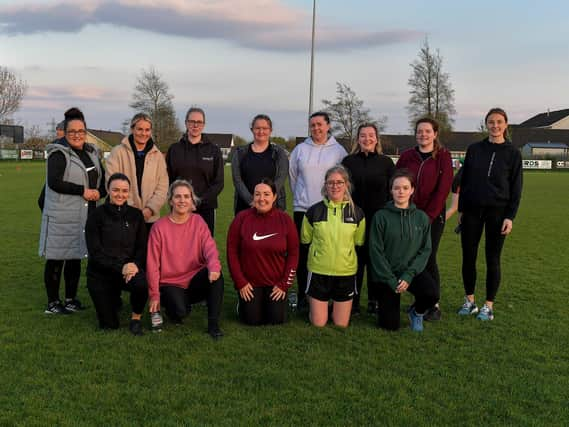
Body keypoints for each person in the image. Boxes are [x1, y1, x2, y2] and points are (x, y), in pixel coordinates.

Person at [38, 107, 106, 314]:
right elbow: (54, 182)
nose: (77, 135)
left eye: (81, 131)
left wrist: (99, 193)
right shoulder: (58, 153)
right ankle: (53, 302)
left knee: (75, 258)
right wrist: (83, 191)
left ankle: (70, 299)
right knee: (57, 258)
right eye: (72, 131)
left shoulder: (91, 153)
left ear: (86, 132)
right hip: (62, 216)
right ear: (65, 133)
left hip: (85, 216)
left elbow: (102, 183)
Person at [457, 108, 522, 321]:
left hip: (498, 212)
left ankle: (488, 306)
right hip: (472, 211)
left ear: (506, 125)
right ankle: (470, 301)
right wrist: (462, 210)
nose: (495, 126)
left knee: (492, 259)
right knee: (469, 256)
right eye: (491, 122)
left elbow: (516, 188)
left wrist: (509, 217)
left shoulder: (513, 153)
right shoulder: (475, 148)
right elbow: (464, 181)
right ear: (486, 124)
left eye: (499, 122)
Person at [146, 180, 224, 339]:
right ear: (170, 201)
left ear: (192, 200)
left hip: (194, 279)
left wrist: (214, 266)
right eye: (178, 196)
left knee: (217, 276)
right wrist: (154, 294)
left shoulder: (198, 221)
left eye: (186, 196)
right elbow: (152, 264)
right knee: (180, 313)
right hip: (171, 282)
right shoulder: (159, 227)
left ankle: (213, 325)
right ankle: (171, 307)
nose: (182, 200)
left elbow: (210, 247)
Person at [289, 111, 347, 311]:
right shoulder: (300, 150)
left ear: (328, 126)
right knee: (304, 254)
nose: (316, 128)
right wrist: (302, 198)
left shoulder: (339, 151)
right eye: (312, 125)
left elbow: (342, 181)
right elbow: (293, 178)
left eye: (320, 124)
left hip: (329, 210)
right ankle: (305, 295)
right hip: (303, 209)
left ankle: (327, 296)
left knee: (327, 252)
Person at [395, 117, 452, 320]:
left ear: (435, 134)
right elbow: (397, 181)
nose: (423, 135)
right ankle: (420, 299)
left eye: (428, 131)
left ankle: (433, 304)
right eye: (420, 131)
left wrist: (427, 217)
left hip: (431, 218)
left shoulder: (443, 156)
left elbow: (443, 189)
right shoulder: (407, 156)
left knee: (428, 257)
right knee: (410, 258)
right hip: (408, 215)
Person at [368, 169, 437, 332]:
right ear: (391, 190)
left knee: (432, 294)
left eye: (405, 188)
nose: (401, 192)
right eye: (397, 188)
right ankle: (387, 305)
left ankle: (416, 313)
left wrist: (409, 274)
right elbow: (376, 251)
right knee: (390, 326)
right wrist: (391, 280)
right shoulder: (381, 216)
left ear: (412, 190)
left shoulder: (421, 217)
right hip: (387, 274)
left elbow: (425, 250)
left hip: (410, 272)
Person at [227, 179, 299, 325]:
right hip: (250, 283)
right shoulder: (241, 218)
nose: (262, 199)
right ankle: (242, 304)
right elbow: (231, 251)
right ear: (253, 197)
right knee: (251, 320)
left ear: (274, 197)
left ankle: (282, 301)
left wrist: (284, 284)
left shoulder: (285, 219)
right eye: (257, 194)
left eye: (266, 194)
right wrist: (240, 282)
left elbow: (294, 253)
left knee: (276, 320)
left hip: (276, 284)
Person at [301, 165, 365, 327]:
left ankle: (331, 306)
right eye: (330, 183)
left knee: (341, 324)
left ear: (346, 185)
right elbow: (305, 239)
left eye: (339, 182)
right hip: (318, 272)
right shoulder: (313, 211)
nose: (335, 186)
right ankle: (318, 307)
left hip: (346, 273)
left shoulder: (357, 213)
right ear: (325, 186)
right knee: (319, 323)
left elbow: (359, 241)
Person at [342, 123, 395, 315]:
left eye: (371, 135)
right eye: (363, 135)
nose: (367, 139)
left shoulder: (386, 162)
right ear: (358, 139)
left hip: (378, 219)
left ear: (376, 138)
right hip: (353, 219)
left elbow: (392, 192)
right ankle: (353, 301)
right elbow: (343, 189)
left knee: (375, 262)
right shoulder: (348, 161)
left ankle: (374, 300)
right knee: (354, 261)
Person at [85, 173, 148, 335]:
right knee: (109, 325)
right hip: (101, 274)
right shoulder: (96, 216)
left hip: (128, 270)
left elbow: (142, 247)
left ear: (129, 192)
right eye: (116, 190)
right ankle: (112, 298)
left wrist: (134, 265)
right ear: (108, 190)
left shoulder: (136, 215)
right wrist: (121, 267)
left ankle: (136, 318)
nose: (120, 194)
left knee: (141, 283)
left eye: (125, 191)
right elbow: (95, 252)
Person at [105, 113, 168, 232]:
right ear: (132, 129)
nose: (143, 133)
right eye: (139, 129)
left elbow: (163, 187)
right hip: (122, 216)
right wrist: (131, 210)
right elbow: (111, 182)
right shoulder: (117, 153)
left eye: (147, 130)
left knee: (147, 251)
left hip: (149, 218)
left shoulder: (158, 156)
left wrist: (150, 209)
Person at [165, 107, 223, 235]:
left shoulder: (214, 151)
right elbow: (168, 180)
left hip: (205, 209)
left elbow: (218, 183)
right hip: (179, 209)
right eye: (191, 121)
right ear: (186, 123)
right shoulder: (174, 149)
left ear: (203, 124)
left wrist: (198, 201)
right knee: (179, 248)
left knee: (203, 249)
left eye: (199, 122)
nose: (195, 125)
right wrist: (181, 201)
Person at [231, 114, 289, 215]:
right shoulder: (240, 153)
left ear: (270, 130)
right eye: (257, 128)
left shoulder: (279, 153)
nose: (261, 131)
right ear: (252, 129)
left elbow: (281, 178)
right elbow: (237, 180)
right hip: (245, 207)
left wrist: (266, 199)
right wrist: (252, 201)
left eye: (265, 128)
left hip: (272, 206)